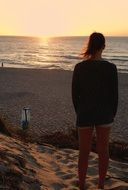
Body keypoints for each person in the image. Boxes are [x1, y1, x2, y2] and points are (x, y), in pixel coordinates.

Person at [72, 32, 118, 190]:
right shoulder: (111, 68)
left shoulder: (79, 67)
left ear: (89, 45)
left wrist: (80, 111)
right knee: (103, 151)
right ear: (104, 47)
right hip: (105, 114)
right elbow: (114, 96)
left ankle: (82, 185)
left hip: (84, 113)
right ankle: (101, 184)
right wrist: (111, 114)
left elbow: (74, 94)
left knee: (83, 152)